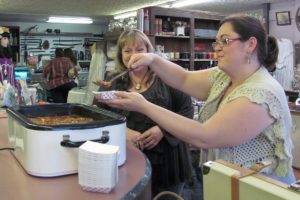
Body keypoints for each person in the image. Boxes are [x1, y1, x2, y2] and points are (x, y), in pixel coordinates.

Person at [99, 15, 296, 184]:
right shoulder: (224, 76)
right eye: (216, 42)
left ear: (251, 45)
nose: (217, 48)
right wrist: (153, 59)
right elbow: (184, 78)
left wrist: (143, 106)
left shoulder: (261, 92)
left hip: (262, 187)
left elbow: (204, 135)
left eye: (225, 41)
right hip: (232, 181)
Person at [94, 29, 194, 197]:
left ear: (149, 52)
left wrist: (162, 130)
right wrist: (123, 131)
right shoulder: (112, 81)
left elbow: (187, 110)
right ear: (120, 55)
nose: (134, 55)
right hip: (129, 159)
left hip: (168, 160)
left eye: (139, 50)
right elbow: (97, 115)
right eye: (127, 50)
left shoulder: (167, 78)